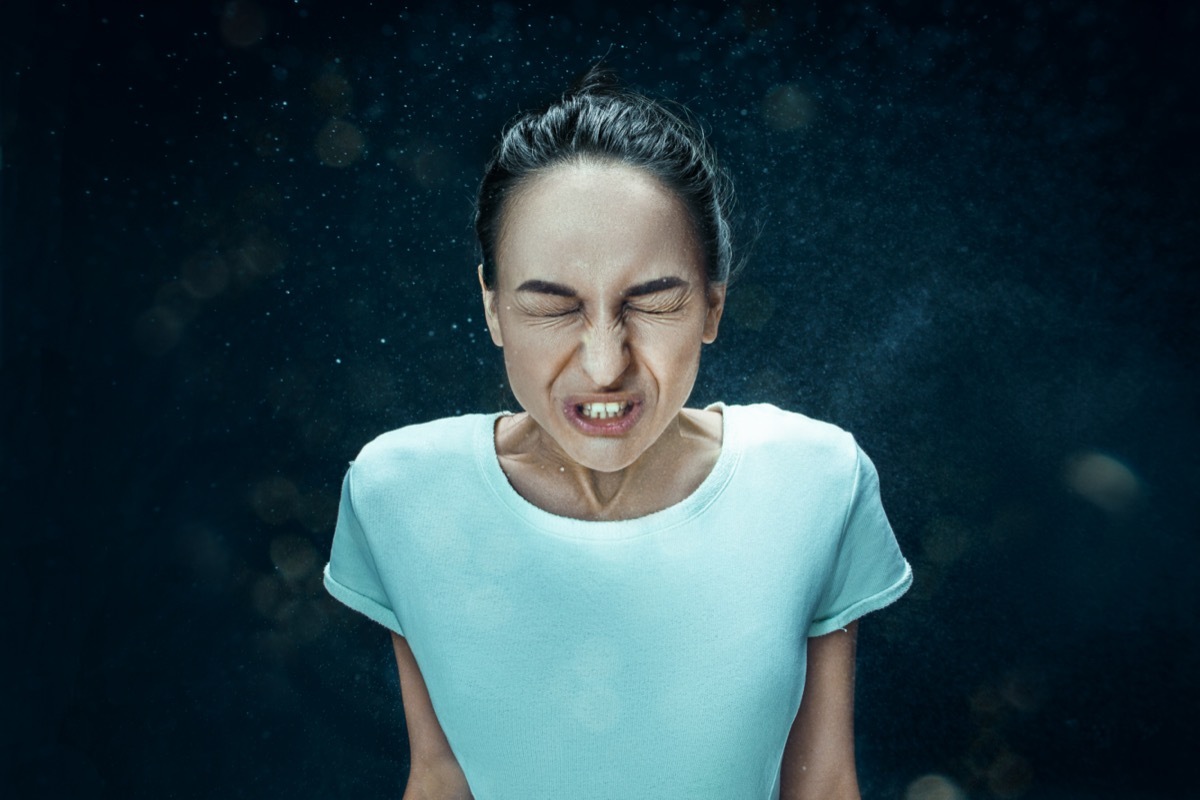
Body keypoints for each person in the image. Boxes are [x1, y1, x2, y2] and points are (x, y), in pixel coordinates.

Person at [323, 65, 911, 800]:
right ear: (493, 308)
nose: (605, 366)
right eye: (552, 307)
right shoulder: (402, 492)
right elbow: (441, 779)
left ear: (713, 306)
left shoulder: (814, 481)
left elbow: (821, 786)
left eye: (654, 303)